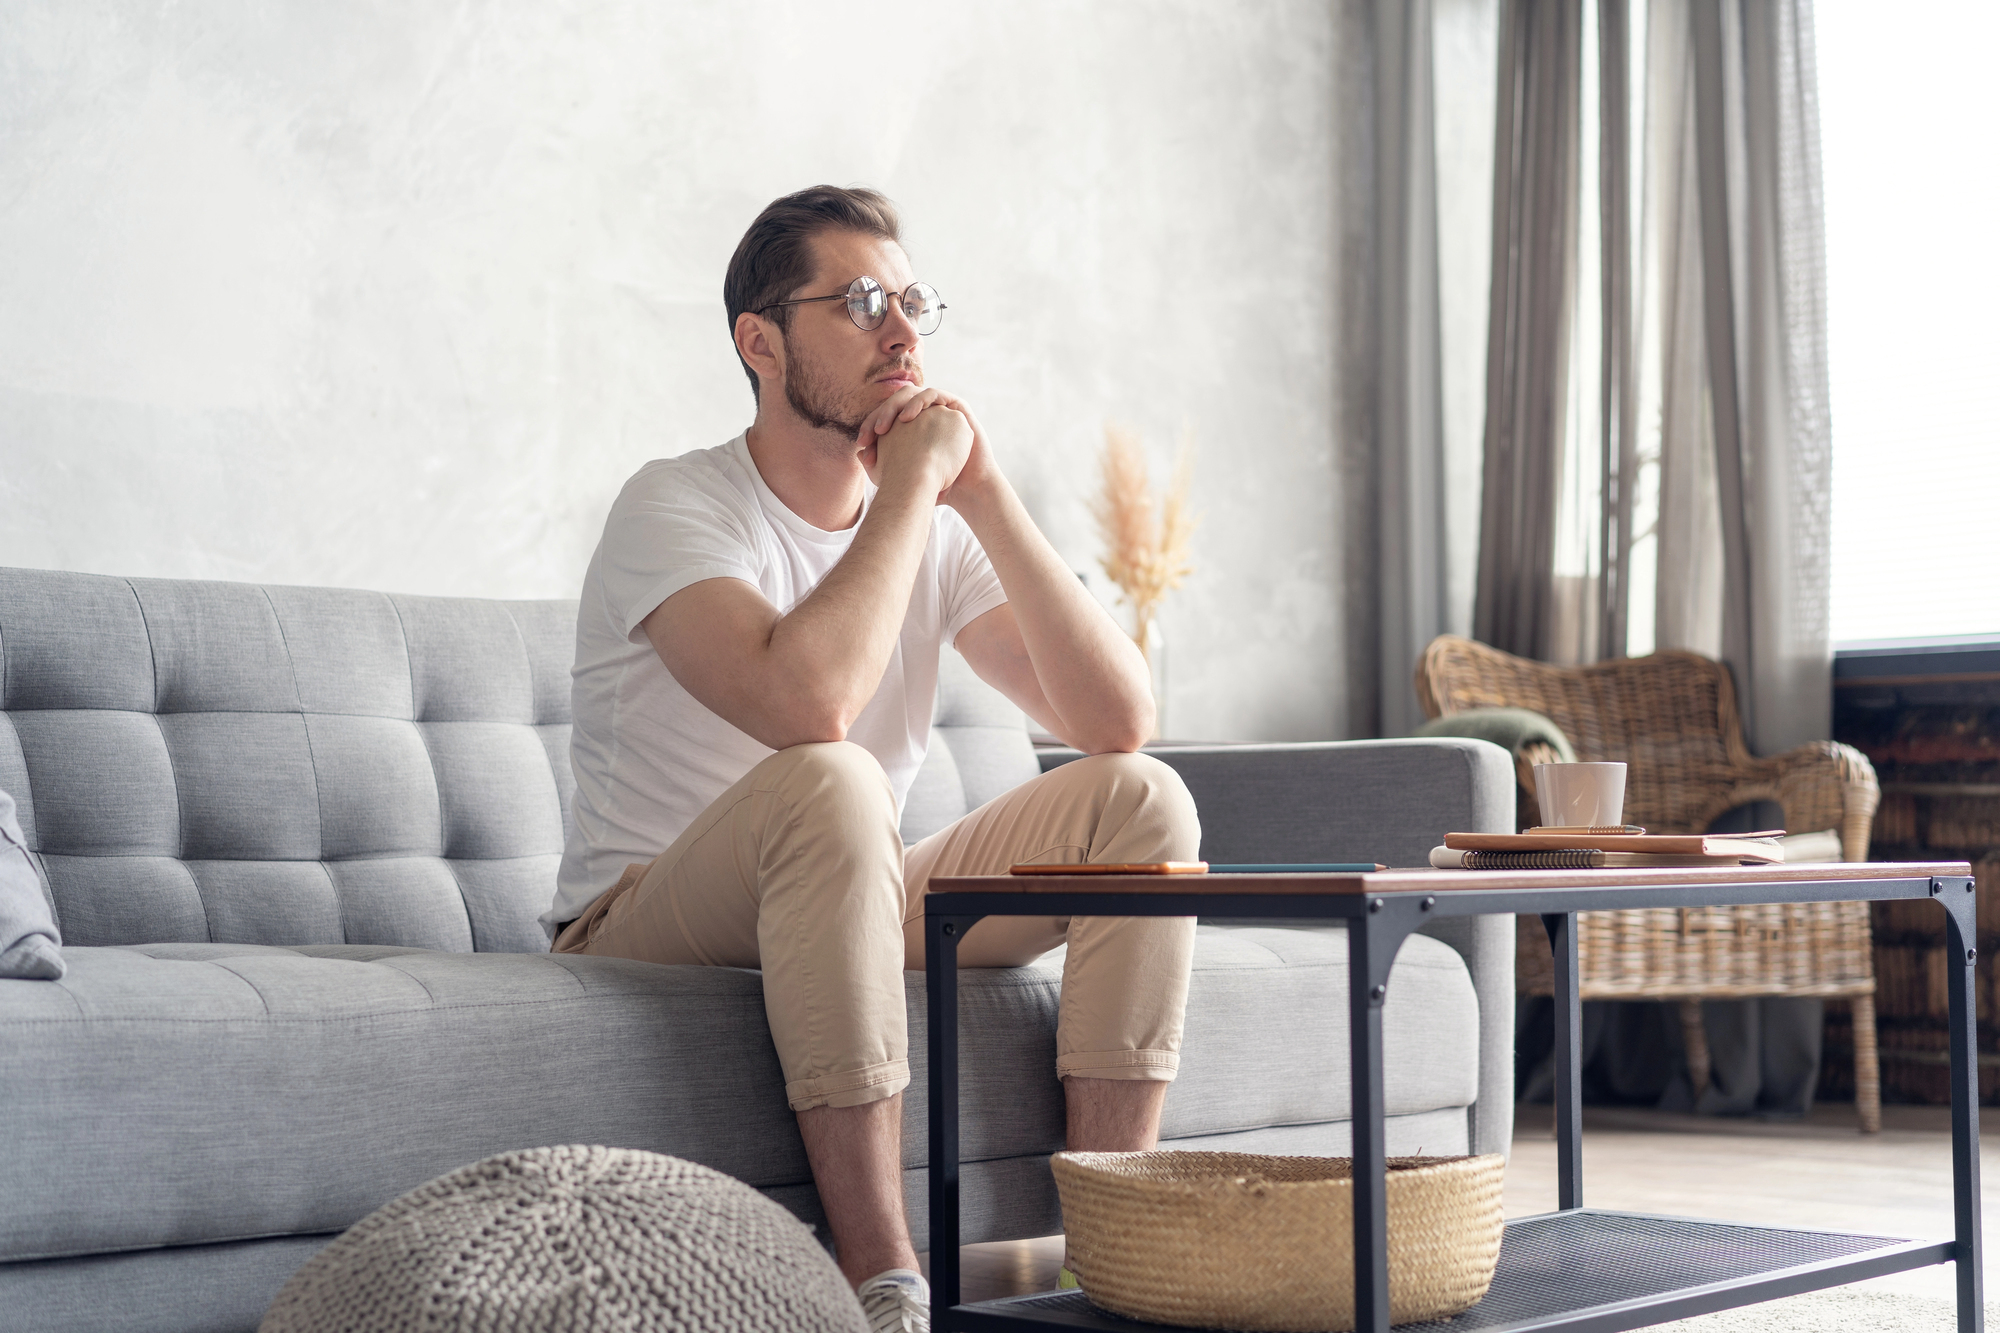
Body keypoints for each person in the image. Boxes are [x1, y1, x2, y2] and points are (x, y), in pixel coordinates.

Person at [542, 185, 1200, 1333]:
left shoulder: (935, 525)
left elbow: (1114, 720)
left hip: (844, 891)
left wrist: (981, 491)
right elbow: (806, 702)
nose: (902, 333)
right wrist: (911, 484)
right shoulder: (675, 505)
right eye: (856, 304)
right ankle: (884, 1278)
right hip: (645, 915)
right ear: (760, 342)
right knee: (836, 771)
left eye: (910, 302)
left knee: (1143, 800)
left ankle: (1110, 1254)